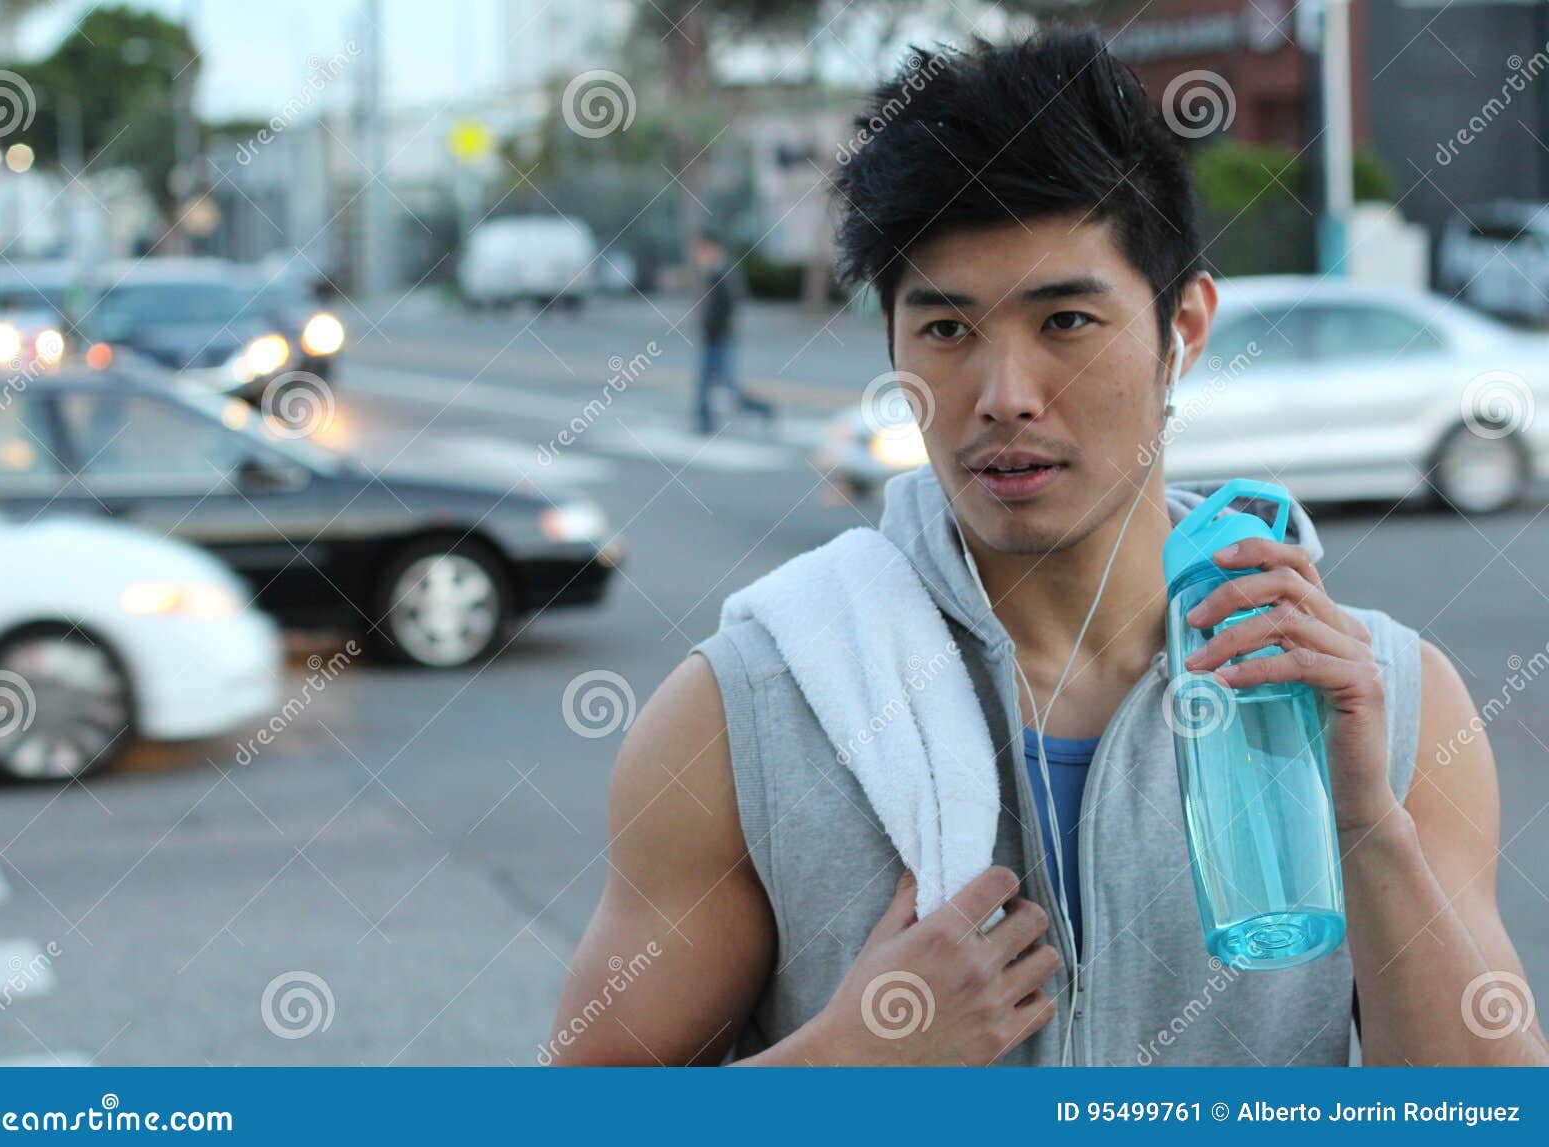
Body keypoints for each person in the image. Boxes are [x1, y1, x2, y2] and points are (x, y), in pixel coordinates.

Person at [550, 29, 1547, 1066]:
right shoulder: (750, 709)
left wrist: (1367, 827)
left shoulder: (1378, 697)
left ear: (1185, 328)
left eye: (1065, 319)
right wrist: (844, 1066)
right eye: (945, 329)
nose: (1003, 395)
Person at [691, 232, 774, 434]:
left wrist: (718, 328)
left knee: (725, 385)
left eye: (702, 251)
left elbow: (732, 302)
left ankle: (762, 409)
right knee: (707, 382)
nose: (699, 257)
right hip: (713, 337)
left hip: (720, 338)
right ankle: (704, 421)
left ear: (713, 249)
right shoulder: (715, 272)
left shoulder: (723, 272)